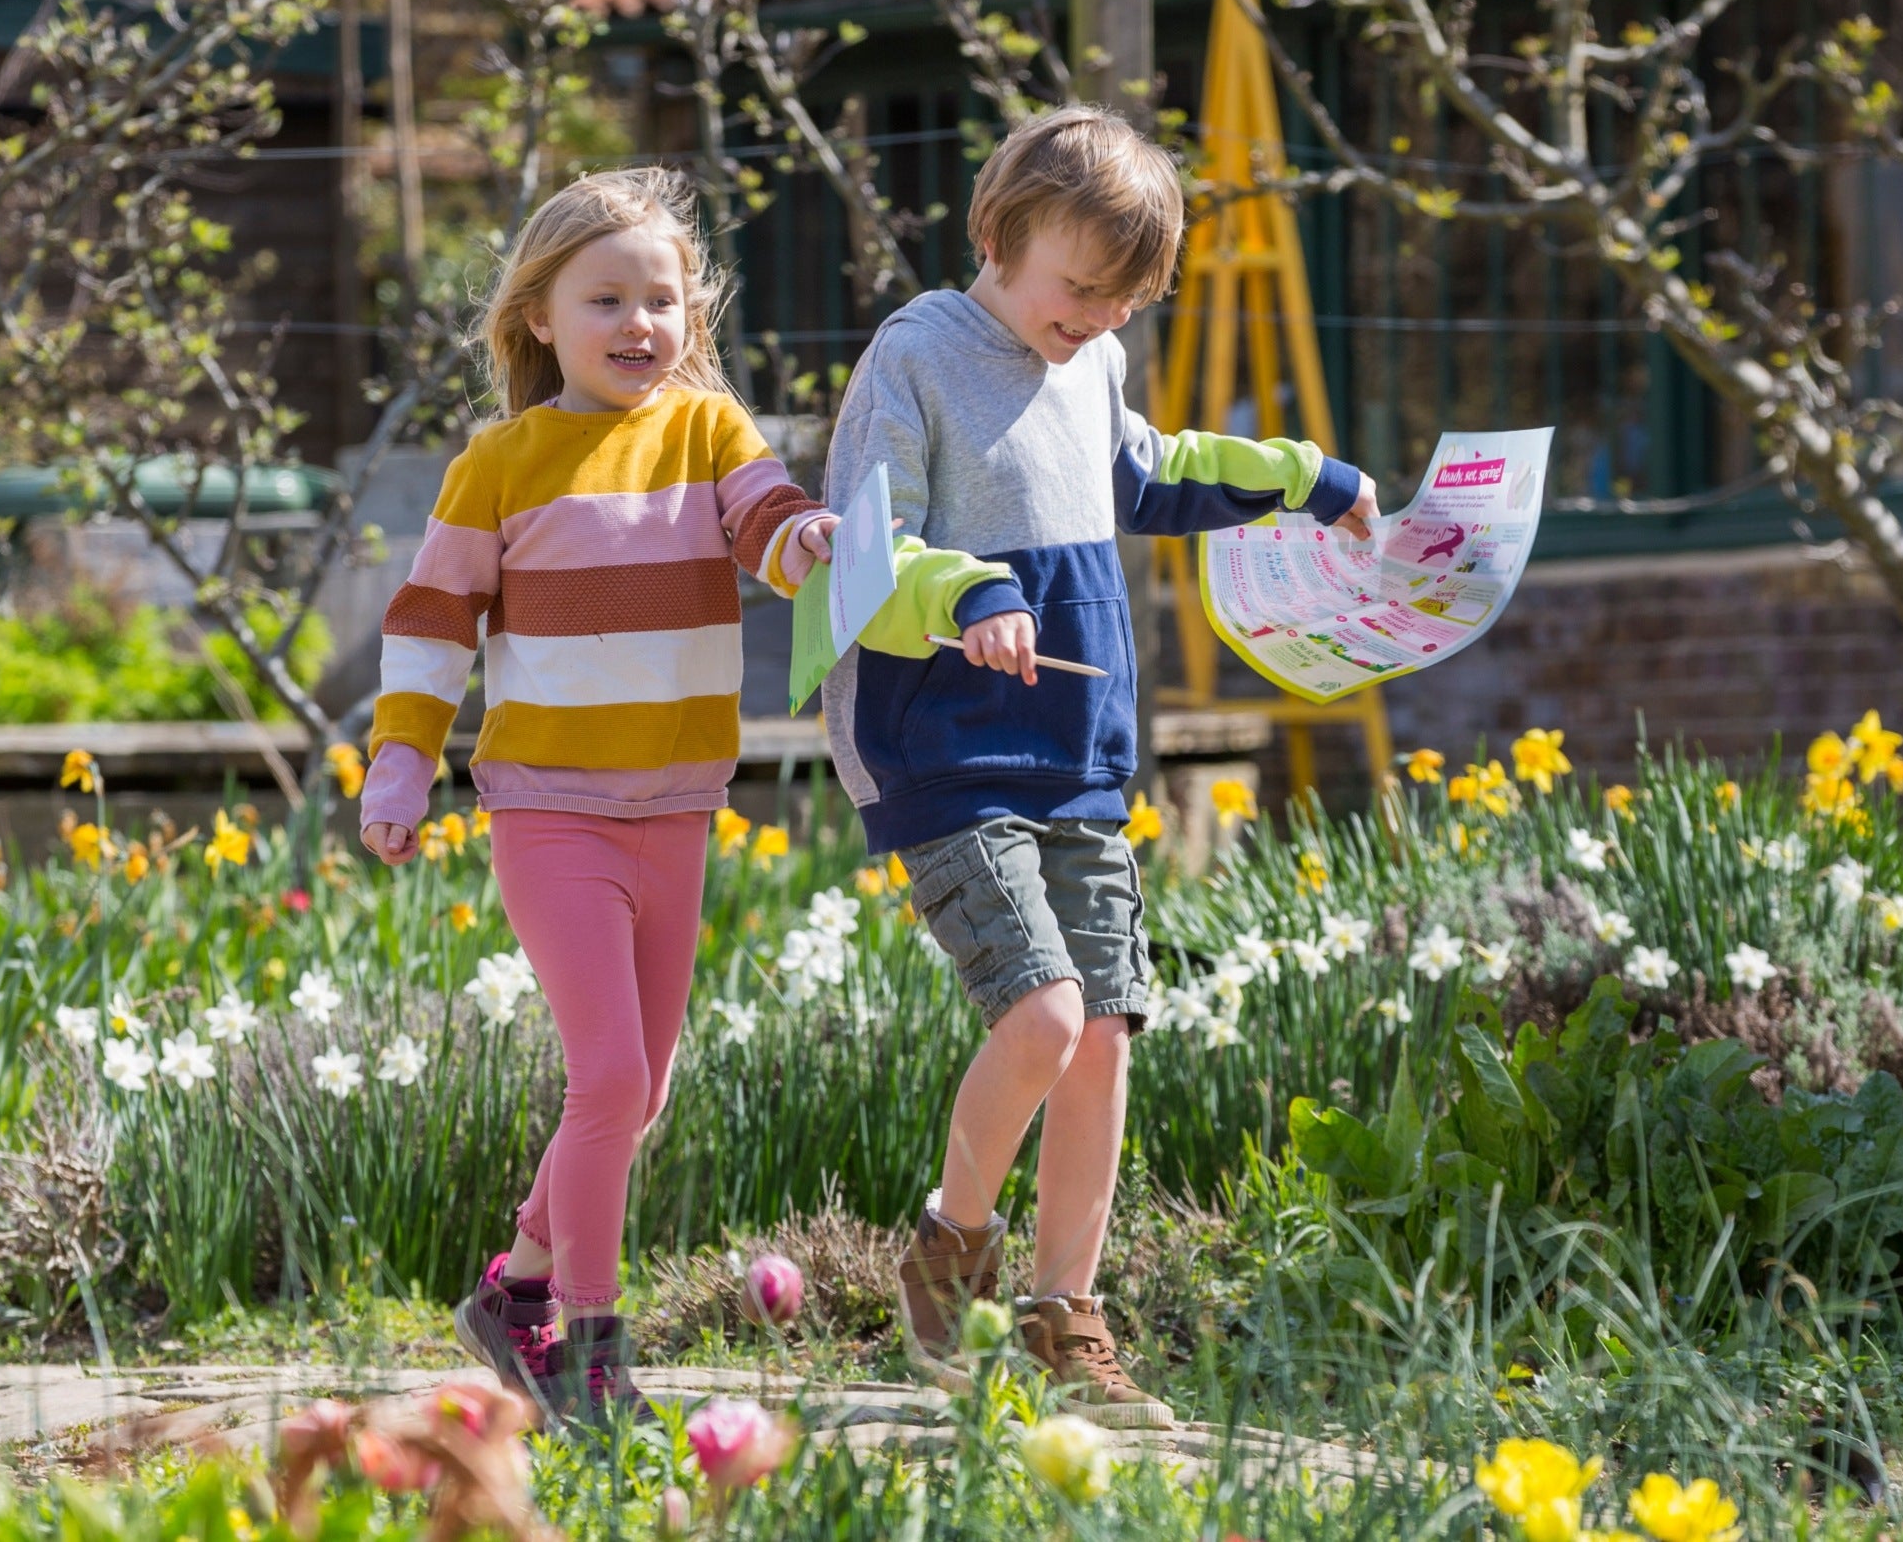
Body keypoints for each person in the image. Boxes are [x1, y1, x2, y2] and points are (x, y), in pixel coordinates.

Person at [817, 105, 1380, 1428]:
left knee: (1106, 1034)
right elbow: (863, 550)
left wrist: (1303, 476)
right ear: (1004, 235)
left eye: (1123, 301)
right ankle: (951, 1253)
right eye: (1080, 288)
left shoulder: (1094, 360)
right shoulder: (917, 355)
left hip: (1077, 753)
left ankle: (1071, 1316)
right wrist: (965, 596)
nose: (1094, 319)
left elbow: (1148, 472)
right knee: (1044, 1018)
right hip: (942, 748)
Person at [357, 167, 838, 1422]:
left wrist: (810, 543)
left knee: (642, 1091)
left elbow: (767, 522)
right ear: (539, 318)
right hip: (550, 812)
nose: (640, 325)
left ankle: (513, 1289)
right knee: (610, 1081)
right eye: (607, 299)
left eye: (663, 300)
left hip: (676, 810)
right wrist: (402, 764)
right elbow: (428, 628)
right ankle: (589, 1345)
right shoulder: (500, 463)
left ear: (692, 315)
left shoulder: (709, 432)